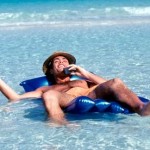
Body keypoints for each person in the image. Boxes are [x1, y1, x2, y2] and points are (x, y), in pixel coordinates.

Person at [1, 51, 150, 125]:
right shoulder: (47, 88)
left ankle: (141, 108)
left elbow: (111, 85)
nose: (62, 62)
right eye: (57, 61)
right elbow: (16, 98)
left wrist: (85, 73)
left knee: (116, 81)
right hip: (69, 99)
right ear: (51, 70)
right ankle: (60, 124)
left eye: (65, 60)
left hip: (92, 94)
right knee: (50, 95)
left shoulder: (84, 78)